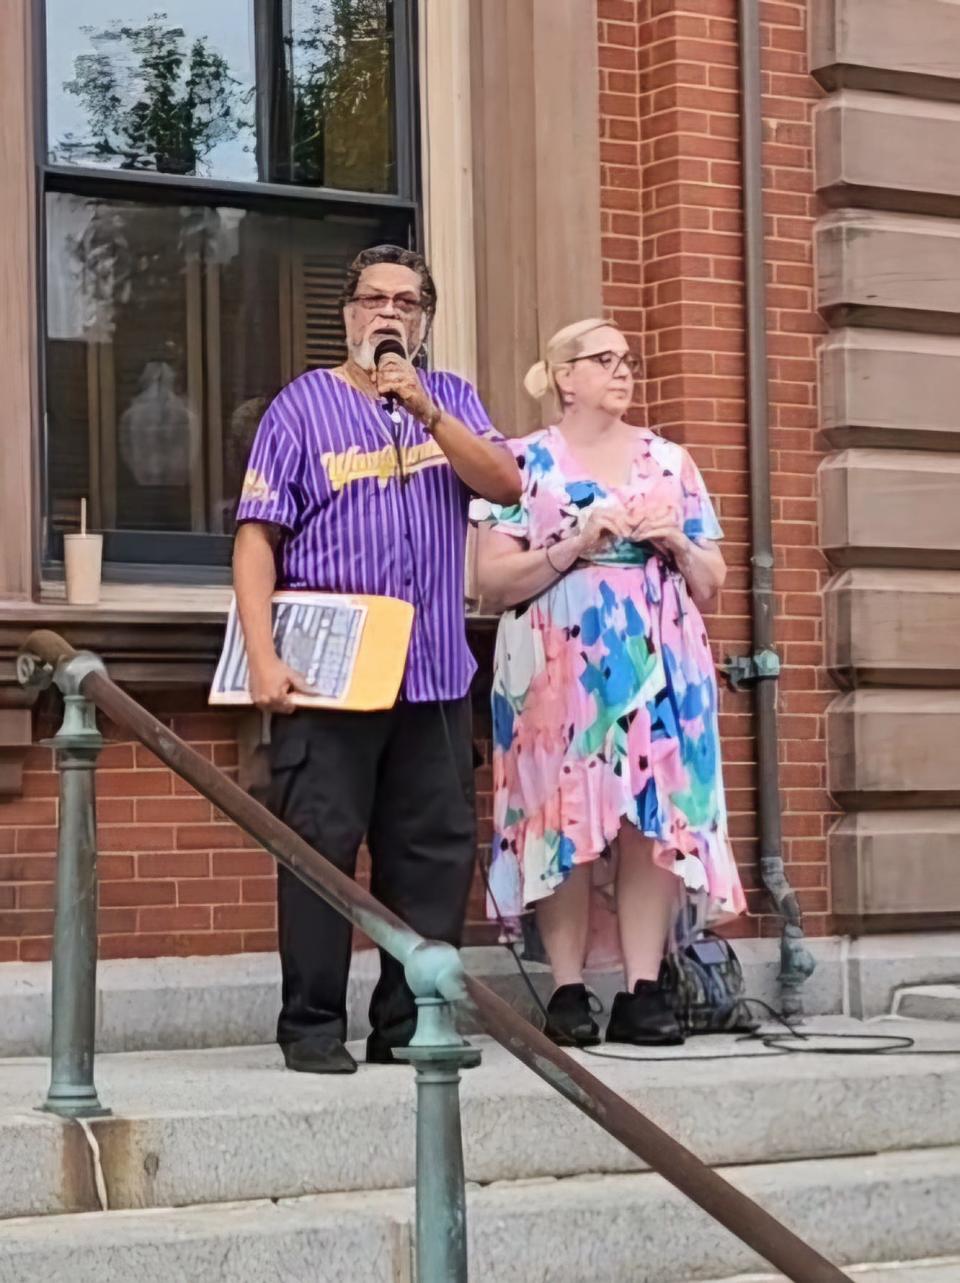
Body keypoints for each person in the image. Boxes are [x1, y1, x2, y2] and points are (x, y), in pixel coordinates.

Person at [233, 245, 521, 1074]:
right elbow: (256, 537)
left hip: (432, 674)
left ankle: (409, 1023)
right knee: (320, 849)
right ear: (350, 314)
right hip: (329, 679)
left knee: (429, 855)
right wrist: (261, 655)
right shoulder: (300, 409)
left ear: (423, 322)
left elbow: (504, 482)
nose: (388, 313)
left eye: (406, 302)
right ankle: (313, 1027)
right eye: (374, 299)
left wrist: (430, 413)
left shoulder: (453, 400)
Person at [471, 318, 745, 1047]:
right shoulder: (520, 462)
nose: (623, 371)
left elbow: (714, 580)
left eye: (628, 360)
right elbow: (490, 578)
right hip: (556, 661)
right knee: (559, 812)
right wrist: (574, 543)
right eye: (604, 359)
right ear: (564, 376)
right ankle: (565, 989)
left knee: (648, 816)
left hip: (660, 658)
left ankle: (642, 986)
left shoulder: (670, 461)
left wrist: (676, 540)